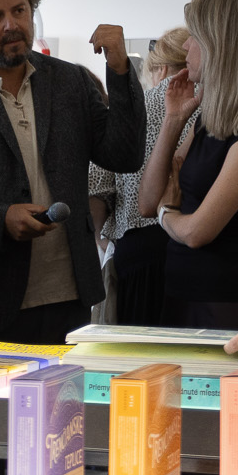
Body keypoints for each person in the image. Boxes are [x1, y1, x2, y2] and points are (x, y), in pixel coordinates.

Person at [0, 0, 145, 342]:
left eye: (20, 10)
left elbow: (124, 155)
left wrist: (120, 71)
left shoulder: (70, 82)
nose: (12, 25)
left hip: (70, 296)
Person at [137, 0, 238, 329]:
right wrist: (174, 120)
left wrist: (167, 213)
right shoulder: (209, 122)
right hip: (184, 291)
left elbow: (196, 231)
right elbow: (147, 201)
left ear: (223, 46)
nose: (186, 46)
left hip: (224, 303)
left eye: (195, 36)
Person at [88, 27, 191, 327]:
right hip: (196, 247)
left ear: (161, 68)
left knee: (138, 348)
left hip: (140, 251)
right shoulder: (216, 107)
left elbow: (97, 185)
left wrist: (101, 240)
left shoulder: (138, 107)